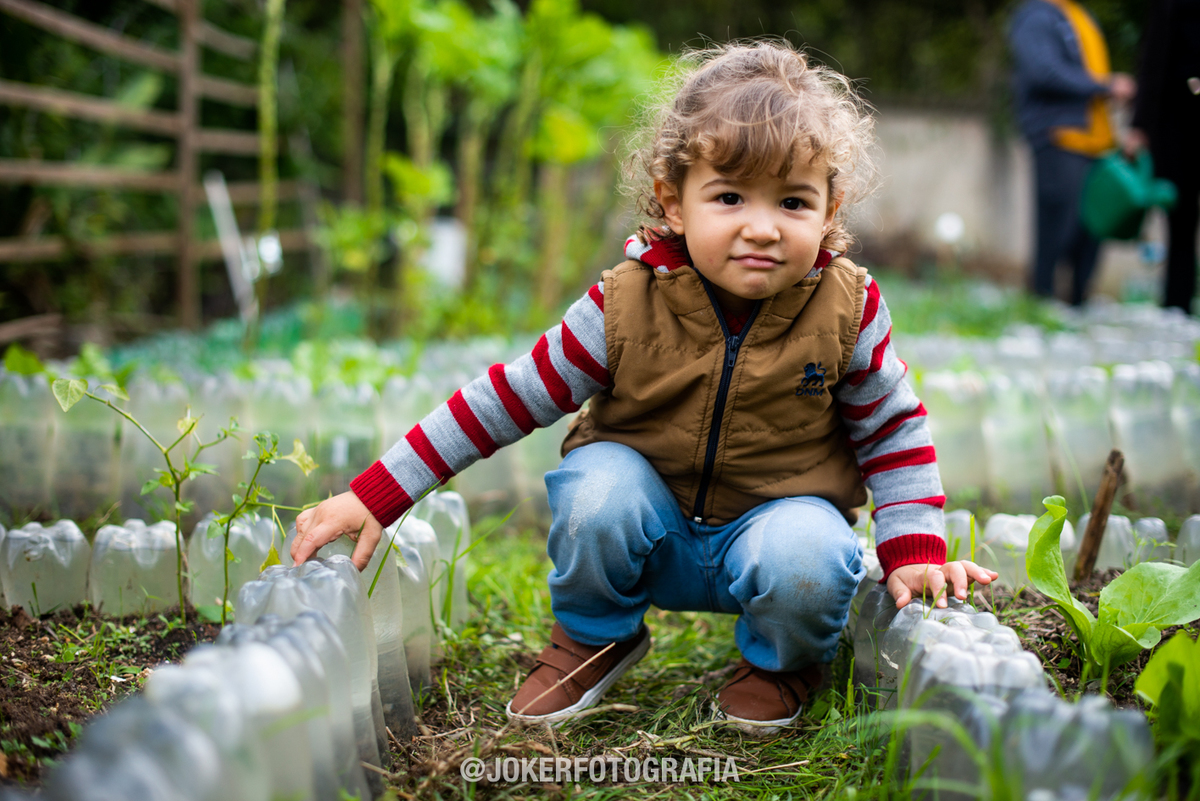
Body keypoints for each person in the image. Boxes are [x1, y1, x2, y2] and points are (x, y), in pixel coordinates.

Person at [291, 41, 997, 736]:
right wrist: (378, 491)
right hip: (644, 524)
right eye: (728, 196)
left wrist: (913, 552)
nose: (762, 227)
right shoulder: (625, 305)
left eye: (792, 200)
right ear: (675, 202)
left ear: (829, 209)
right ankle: (597, 634)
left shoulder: (846, 310)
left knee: (809, 557)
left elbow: (893, 432)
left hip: (774, 528)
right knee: (597, 488)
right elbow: (505, 399)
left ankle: (783, 661)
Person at [1008, 0, 1136, 305]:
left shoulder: (1079, 15)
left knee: (1091, 227)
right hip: (1060, 136)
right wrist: (1105, 86)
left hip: (1096, 142)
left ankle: (1078, 302)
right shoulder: (1037, 15)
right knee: (1058, 225)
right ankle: (1042, 298)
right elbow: (1043, 71)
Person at [1125, 0, 1200, 313]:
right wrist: (1140, 125)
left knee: (1181, 220)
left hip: (1179, 123)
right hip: (1178, 125)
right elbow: (1155, 59)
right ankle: (1177, 305)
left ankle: (1178, 305)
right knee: (1180, 218)